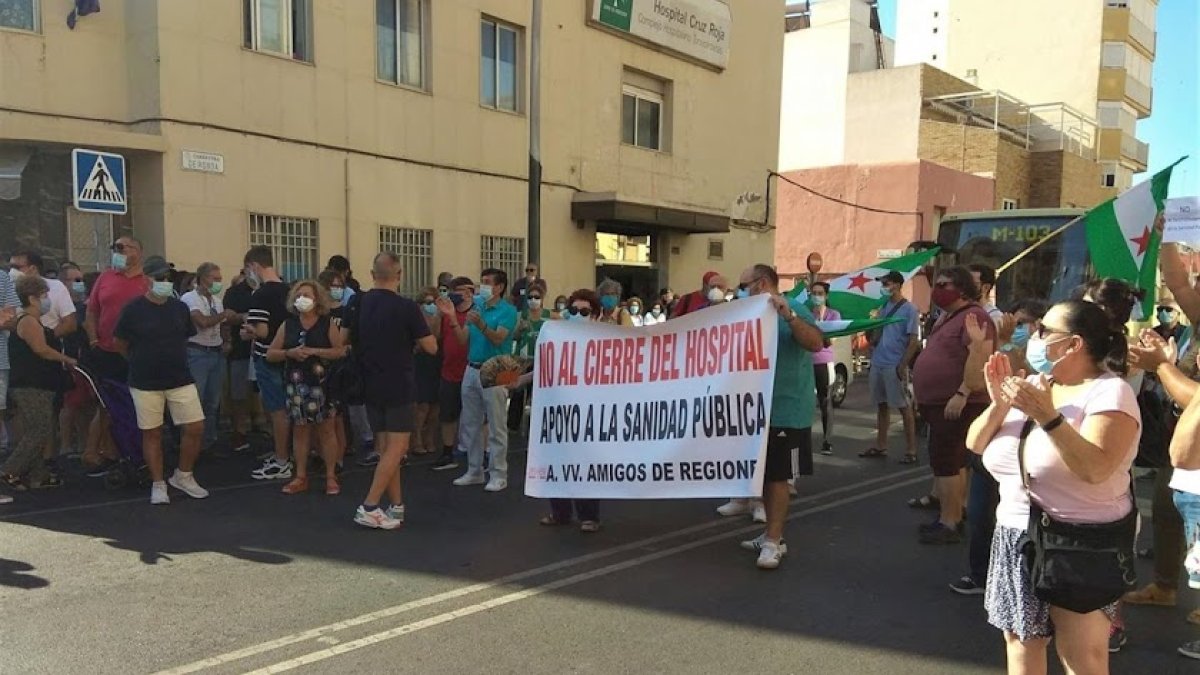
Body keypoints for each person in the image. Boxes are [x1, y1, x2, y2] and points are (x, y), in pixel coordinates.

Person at [968, 299, 1141, 674]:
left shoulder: (1110, 394)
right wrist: (999, 403)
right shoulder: (1034, 384)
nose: (1035, 336)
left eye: (1045, 331)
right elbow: (975, 444)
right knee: (1020, 644)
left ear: (1074, 345)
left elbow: (1096, 468)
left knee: (1083, 656)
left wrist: (1048, 416)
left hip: (1080, 541)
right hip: (1017, 535)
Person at [951, 297, 1049, 597]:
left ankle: (1035, 585)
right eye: (1013, 323)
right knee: (981, 515)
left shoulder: (1046, 364)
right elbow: (972, 380)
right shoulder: (1006, 349)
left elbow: (1027, 371)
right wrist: (989, 344)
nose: (1015, 328)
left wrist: (1007, 345)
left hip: (1032, 465)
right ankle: (981, 575)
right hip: (994, 452)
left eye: (1022, 325)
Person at [735, 264, 824, 569]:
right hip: (756, 410)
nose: (740, 290)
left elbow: (816, 343)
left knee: (779, 477)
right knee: (762, 474)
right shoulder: (746, 313)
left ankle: (774, 542)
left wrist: (789, 316)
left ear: (760, 285)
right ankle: (769, 534)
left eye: (743, 285)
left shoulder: (794, 308)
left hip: (787, 409)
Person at [349, 253, 436, 529]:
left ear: (372, 273)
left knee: (388, 448)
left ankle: (396, 506)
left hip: (369, 381)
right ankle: (370, 505)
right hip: (399, 382)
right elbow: (431, 347)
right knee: (397, 448)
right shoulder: (407, 307)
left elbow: (344, 338)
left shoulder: (358, 302)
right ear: (399, 275)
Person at [113, 256, 209, 505]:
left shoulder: (179, 308)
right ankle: (158, 483)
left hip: (179, 377)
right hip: (144, 380)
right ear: (147, 280)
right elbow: (120, 343)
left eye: (167, 278)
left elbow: (186, 337)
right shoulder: (132, 309)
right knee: (152, 432)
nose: (164, 282)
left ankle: (183, 475)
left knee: (195, 427)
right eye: (159, 278)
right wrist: (138, 361)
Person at [911, 265, 994, 544]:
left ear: (961, 289)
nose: (938, 290)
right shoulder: (949, 317)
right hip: (938, 402)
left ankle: (950, 521)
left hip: (957, 403)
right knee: (949, 461)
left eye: (945, 285)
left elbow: (979, 356)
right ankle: (952, 514)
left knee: (947, 461)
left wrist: (962, 393)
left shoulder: (974, 316)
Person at [266, 280, 345, 495]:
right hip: (297, 385)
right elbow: (271, 353)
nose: (303, 299)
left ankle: (331, 475)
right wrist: (288, 353)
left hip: (323, 384)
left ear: (317, 299)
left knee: (326, 429)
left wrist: (314, 351)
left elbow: (339, 351)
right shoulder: (288, 324)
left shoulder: (327, 323)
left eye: (308, 295)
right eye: (299, 295)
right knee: (300, 431)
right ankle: (300, 476)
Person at [538, 288, 605, 532]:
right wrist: (520, 381)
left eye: (584, 311)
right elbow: (545, 369)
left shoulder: (606, 340)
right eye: (573, 310)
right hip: (560, 409)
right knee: (558, 461)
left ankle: (589, 516)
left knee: (586, 463)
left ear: (595, 314)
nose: (578, 314)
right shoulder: (558, 337)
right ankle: (560, 512)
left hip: (590, 411)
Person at [1, 275, 75, 491]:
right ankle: (10, 469)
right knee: (39, 429)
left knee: (38, 427)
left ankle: (37, 474)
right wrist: (67, 359)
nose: (46, 300)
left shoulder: (28, 321)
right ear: (32, 298)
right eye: (43, 296)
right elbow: (41, 349)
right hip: (32, 384)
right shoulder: (29, 321)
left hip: (36, 383)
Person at [83, 237, 150, 474]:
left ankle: (127, 450)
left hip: (137, 353)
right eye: (115, 248)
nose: (117, 252)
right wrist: (93, 340)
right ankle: (94, 451)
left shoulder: (148, 281)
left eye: (122, 248)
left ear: (137, 252)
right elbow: (91, 311)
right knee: (106, 403)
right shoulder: (106, 277)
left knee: (135, 404)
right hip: (106, 351)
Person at [452, 268, 518, 492]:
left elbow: (500, 337)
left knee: (497, 423)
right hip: (472, 366)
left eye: (488, 282)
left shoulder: (508, 311)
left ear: (499, 287)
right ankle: (474, 470)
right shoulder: (477, 308)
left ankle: (499, 473)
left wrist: (480, 323)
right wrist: (453, 318)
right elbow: (462, 338)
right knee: (470, 423)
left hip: (498, 366)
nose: (483, 286)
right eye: (482, 282)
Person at [860, 270, 921, 463]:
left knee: (904, 406)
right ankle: (881, 445)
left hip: (894, 363)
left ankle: (911, 451)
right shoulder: (883, 307)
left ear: (897, 285)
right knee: (881, 405)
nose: (884, 287)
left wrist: (903, 364)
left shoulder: (909, 310)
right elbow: (874, 336)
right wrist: (872, 323)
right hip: (878, 361)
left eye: (887, 283)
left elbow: (914, 340)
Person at [244, 246, 294, 481]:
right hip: (290, 355)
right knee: (290, 408)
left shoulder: (261, 295)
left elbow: (262, 330)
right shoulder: (290, 291)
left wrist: (248, 330)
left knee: (277, 411)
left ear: (254, 266)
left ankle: (282, 460)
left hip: (268, 356)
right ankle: (287, 453)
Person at [181, 263, 235, 454]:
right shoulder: (189, 299)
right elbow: (202, 322)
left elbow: (223, 324)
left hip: (216, 352)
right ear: (202, 278)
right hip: (197, 353)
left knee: (213, 401)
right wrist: (224, 315)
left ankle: (208, 441)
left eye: (220, 279)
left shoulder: (216, 300)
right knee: (196, 400)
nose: (218, 282)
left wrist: (227, 340)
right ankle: (190, 443)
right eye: (215, 278)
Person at [431, 277, 474, 471]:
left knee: (476, 416)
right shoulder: (448, 312)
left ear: (471, 291)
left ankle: (477, 453)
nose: (458, 294)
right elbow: (435, 335)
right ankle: (448, 452)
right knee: (448, 414)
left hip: (471, 369)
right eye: (454, 291)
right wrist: (439, 315)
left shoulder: (476, 313)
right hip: (449, 369)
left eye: (462, 291)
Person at [222, 273, 257, 454]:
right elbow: (226, 318)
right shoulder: (234, 293)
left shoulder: (270, 289)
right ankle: (239, 432)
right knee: (239, 394)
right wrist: (244, 317)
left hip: (266, 349)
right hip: (240, 350)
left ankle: (268, 430)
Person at [509, 279, 549, 433]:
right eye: (530, 297)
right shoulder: (521, 315)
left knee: (537, 395)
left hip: (542, 360)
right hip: (523, 359)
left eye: (537, 297)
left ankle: (536, 427)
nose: (533, 300)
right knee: (518, 393)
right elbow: (513, 337)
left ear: (542, 298)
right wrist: (519, 330)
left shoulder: (550, 316)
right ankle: (513, 425)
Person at [9, 250, 76, 339]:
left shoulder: (56, 287)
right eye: (11, 267)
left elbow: (69, 323)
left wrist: (45, 339)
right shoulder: (7, 289)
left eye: (17, 267)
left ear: (33, 269)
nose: (12, 271)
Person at [809, 282, 840, 455]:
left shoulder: (833, 315)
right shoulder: (806, 314)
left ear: (826, 296)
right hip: (807, 361)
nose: (816, 296)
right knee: (806, 401)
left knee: (825, 401)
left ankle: (827, 441)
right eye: (813, 293)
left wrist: (820, 324)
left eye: (820, 293)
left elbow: (830, 341)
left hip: (824, 361)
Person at [412, 287, 443, 455]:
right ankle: (416, 439)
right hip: (421, 361)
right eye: (428, 303)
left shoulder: (440, 317)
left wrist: (438, 316)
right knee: (422, 405)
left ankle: (430, 438)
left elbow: (438, 335)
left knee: (436, 406)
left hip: (437, 360)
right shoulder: (416, 319)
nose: (432, 306)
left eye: (434, 303)